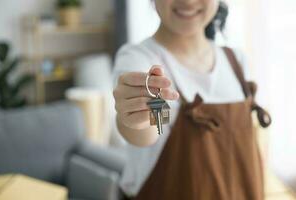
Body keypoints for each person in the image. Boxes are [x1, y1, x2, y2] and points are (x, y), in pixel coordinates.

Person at [113, 0, 271, 199]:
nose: (188, 1)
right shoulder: (141, 62)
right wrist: (135, 117)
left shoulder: (236, 60)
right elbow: (149, 129)